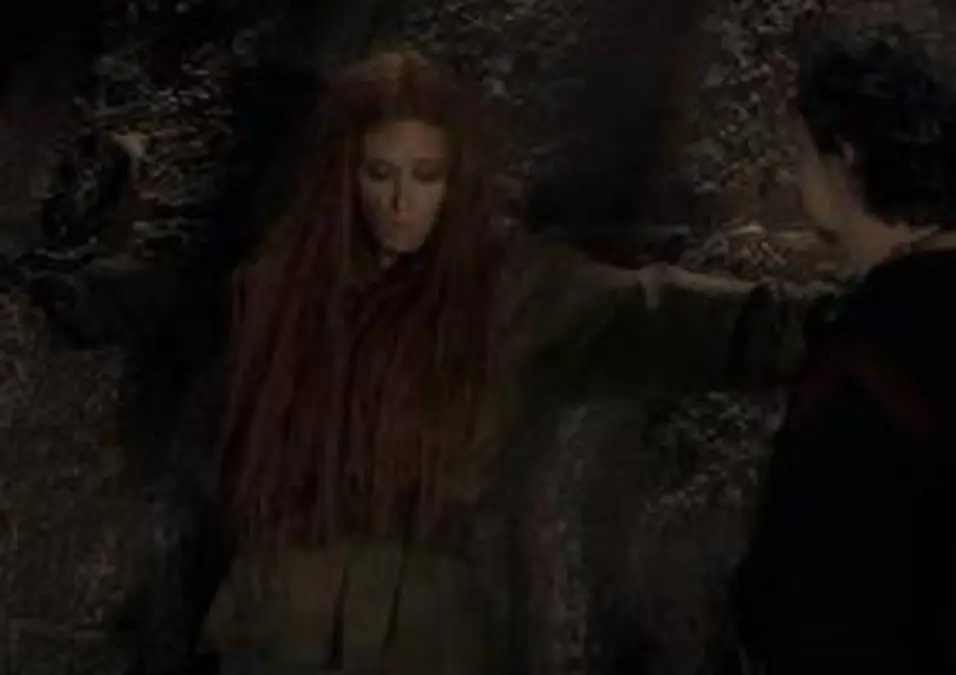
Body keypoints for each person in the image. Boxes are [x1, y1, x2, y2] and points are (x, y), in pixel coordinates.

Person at [30, 49, 826, 673]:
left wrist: (851, 320)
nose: (400, 200)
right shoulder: (286, 287)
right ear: (346, 178)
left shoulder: (509, 289)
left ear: (455, 179)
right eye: (378, 174)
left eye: (425, 176)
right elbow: (182, 302)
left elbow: (665, 312)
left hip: (420, 629)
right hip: (275, 615)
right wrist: (74, 290)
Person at [730, 32, 956, 675]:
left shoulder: (867, 346)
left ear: (848, 158)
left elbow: (810, 598)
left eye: (802, 155)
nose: (793, 178)